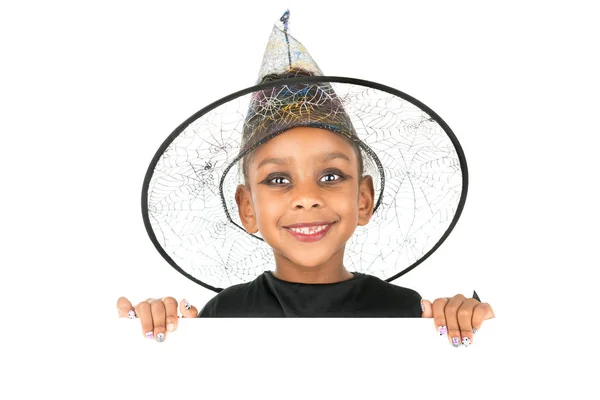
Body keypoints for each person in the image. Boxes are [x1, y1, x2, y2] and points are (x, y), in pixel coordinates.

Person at [117, 11, 495, 347]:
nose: (307, 197)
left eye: (330, 175)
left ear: (363, 198)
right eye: (279, 180)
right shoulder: (223, 316)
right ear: (247, 208)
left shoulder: (410, 313)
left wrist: (468, 323)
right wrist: (151, 336)